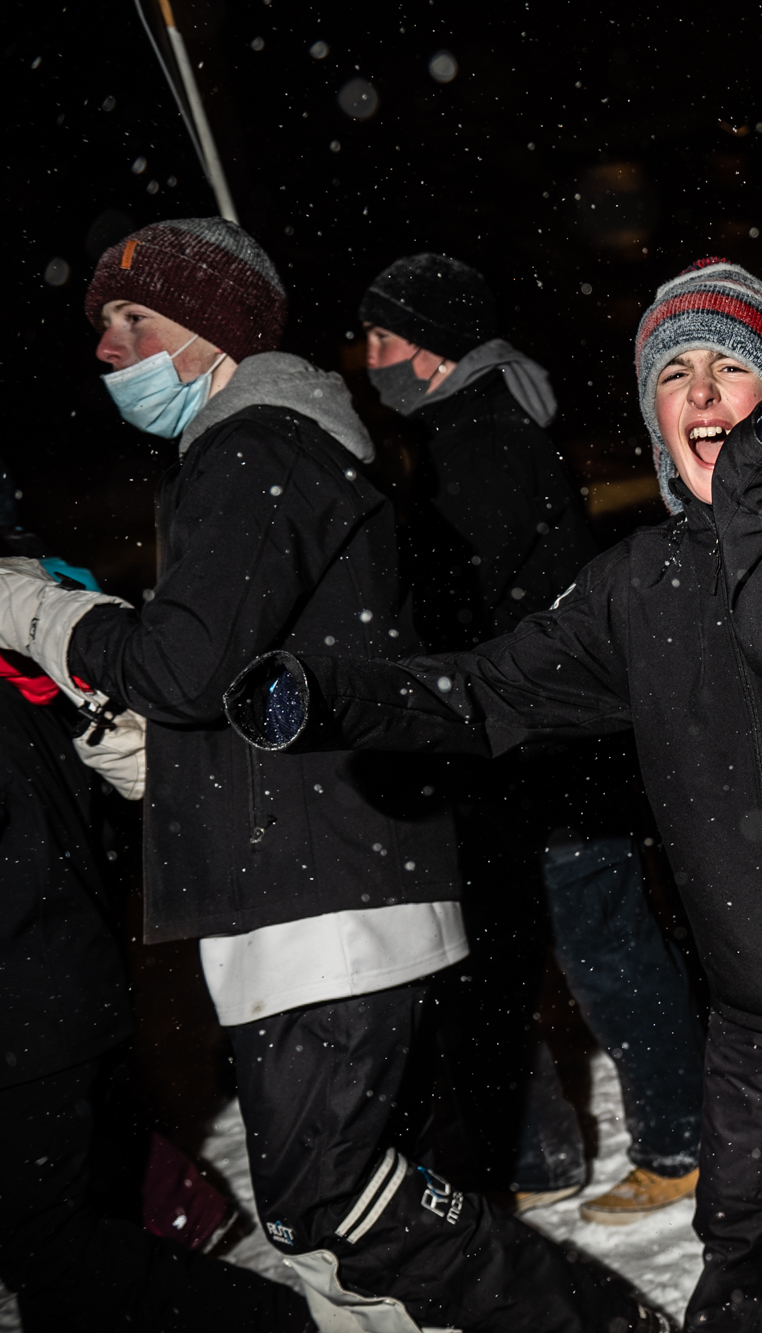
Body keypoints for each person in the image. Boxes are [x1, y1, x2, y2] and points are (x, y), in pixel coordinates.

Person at [222, 257, 762, 1332]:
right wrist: (335, 693)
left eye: (729, 366)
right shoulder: (641, 585)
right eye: (674, 374)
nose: (700, 392)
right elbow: (489, 688)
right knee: (759, 1277)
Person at [0, 218, 657, 1331]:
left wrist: (38, 610)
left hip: (321, 894)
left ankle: (597, 1320)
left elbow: (183, 665)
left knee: (330, 1202)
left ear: (207, 328)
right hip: (307, 880)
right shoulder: (249, 450)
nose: (108, 348)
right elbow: (234, 684)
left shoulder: (255, 449)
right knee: (348, 1211)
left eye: (133, 319)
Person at [359, 252, 705, 1226]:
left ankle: (682, 1136)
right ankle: (541, 1151)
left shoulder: (479, 440)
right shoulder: (463, 431)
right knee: (514, 957)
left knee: (604, 946)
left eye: (383, 338)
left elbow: (458, 596)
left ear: (432, 349)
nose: (370, 359)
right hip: (523, 751)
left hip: (551, 751)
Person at [0, 541, 309, 1330]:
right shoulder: (15, 629)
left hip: (34, 1003)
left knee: (54, 1248)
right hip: (62, 980)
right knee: (70, 1252)